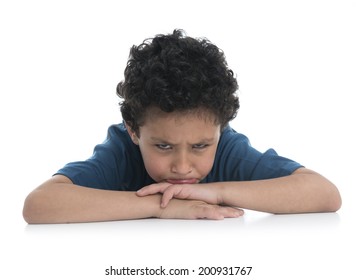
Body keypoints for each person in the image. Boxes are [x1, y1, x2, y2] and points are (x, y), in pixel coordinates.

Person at [23, 29, 341, 224]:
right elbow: (39, 205)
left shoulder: (228, 149)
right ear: (134, 130)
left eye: (201, 146)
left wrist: (215, 193)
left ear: (220, 129)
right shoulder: (121, 151)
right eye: (163, 146)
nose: (183, 167)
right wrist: (160, 208)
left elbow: (325, 194)